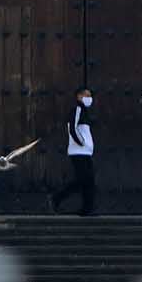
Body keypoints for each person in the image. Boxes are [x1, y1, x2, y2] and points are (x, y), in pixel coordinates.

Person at [50, 86, 96, 215]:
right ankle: (57, 198)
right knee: (83, 180)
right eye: (86, 95)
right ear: (79, 96)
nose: (89, 98)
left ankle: (87, 209)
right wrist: (82, 143)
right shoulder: (77, 109)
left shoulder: (84, 111)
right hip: (78, 152)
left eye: (90, 96)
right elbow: (72, 128)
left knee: (88, 181)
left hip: (85, 152)